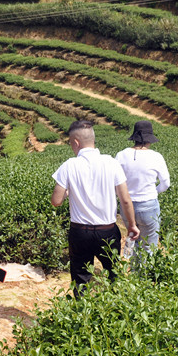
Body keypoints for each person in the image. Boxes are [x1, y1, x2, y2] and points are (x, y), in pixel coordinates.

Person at [51, 120, 139, 298]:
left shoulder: (69, 165)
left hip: (80, 232)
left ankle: (82, 315)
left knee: (81, 278)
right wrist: (132, 225)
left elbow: (56, 200)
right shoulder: (111, 163)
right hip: (107, 231)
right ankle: (116, 312)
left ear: (76, 142)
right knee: (114, 274)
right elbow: (126, 200)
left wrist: (70, 190)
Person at [115, 120, 170, 259]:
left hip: (127, 206)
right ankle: (145, 278)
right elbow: (166, 184)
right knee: (149, 246)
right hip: (149, 205)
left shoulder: (121, 155)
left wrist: (123, 196)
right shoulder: (156, 156)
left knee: (132, 241)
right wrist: (153, 192)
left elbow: (114, 182)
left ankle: (133, 274)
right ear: (149, 139)